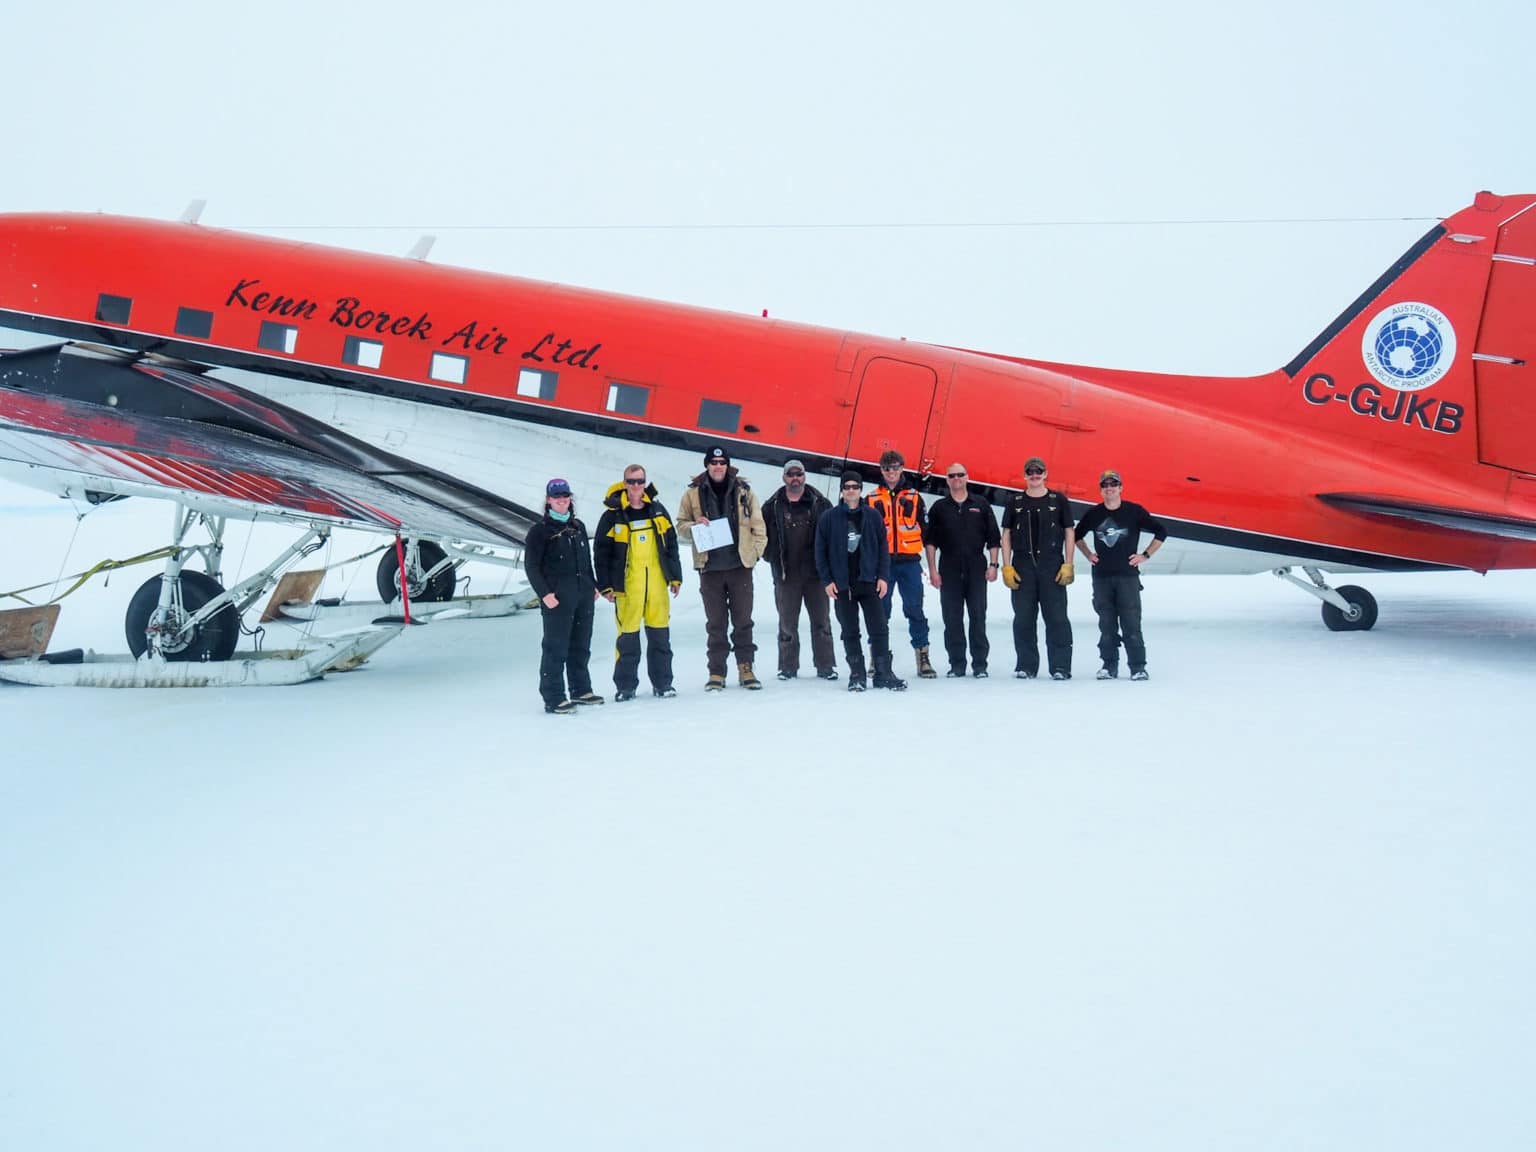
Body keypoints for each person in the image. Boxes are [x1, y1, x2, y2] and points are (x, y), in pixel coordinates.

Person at [676, 445, 768, 691]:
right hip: (710, 568)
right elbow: (680, 527)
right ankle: (716, 672)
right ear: (707, 465)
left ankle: (745, 667)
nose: (718, 467)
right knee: (715, 624)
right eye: (714, 462)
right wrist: (695, 525)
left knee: (743, 622)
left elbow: (759, 528)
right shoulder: (693, 494)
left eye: (722, 462)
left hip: (739, 567)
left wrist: (754, 555)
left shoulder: (744, 491)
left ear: (727, 465)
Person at [593, 464, 682, 700]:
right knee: (627, 640)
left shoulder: (658, 511)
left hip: (656, 586)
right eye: (631, 481)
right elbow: (601, 553)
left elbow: (671, 545)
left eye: (640, 481)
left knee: (660, 638)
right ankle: (625, 687)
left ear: (645, 483)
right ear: (624, 483)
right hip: (627, 588)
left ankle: (663, 683)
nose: (636, 486)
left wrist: (675, 577)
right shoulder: (612, 516)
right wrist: (605, 586)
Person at [1074, 469, 1167, 681]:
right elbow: (1076, 536)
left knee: (1131, 622)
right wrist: (1088, 553)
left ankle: (1138, 667)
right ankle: (1108, 666)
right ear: (1101, 490)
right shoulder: (1094, 514)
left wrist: (1145, 555)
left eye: (1113, 484)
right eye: (1105, 485)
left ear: (1120, 487)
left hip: (1128, 577)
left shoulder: (1134, 512)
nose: (1109, 488)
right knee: (1106, 623)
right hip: (1101, 577)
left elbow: (1161, 531)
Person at [816, 471, 904, 691]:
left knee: (879, 628)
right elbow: (820, 551)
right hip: (843, 585)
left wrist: (883, 576)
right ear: (842, 490)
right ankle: (857, 674)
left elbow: (884, 548)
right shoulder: (829, 517)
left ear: (861, 489)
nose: (851, 490)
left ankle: (883, 673)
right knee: (850, 630)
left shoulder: (873, 516)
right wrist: (827, 580)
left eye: (855, 486)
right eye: (847, 487)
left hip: (869, 582)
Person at [523, 477, 603, 714]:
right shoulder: (539, 531)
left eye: (565, 496)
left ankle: (580, 689)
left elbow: (586, 561)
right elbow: (532, 566)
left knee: (581, 644)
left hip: (582, 594)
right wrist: (544, 593)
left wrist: (593, 585)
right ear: (548, 500)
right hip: (557, 597)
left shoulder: (577, 527)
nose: (562, 501)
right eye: (557, 497)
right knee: (555, 646)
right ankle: (554, 696)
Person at [761, 458, 838, 681]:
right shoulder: (771, 506)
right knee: (787, 624)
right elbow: (759, 534)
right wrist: (770, 556)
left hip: (816, 575)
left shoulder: (821, 503)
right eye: (791, 474)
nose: (796, 478)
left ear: (805, 476)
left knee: (822, 621)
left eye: (799, 474)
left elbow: (833, 536)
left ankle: (826, 666)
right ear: (784, 477)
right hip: (786, 575)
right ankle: (787, 667)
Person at [1000, 456, 1075, 680]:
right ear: (1025, 475)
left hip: (1051, 568)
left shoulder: (1058, 500)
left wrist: (1068, 563)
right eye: (1030, 472)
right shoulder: (1015, 502)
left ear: (1045, 474)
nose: (1034, 475)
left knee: (1057, 619)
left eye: (1038, 471)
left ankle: (1061, 667)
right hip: (1023, 567)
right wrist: (1006, 567)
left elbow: (1069, 531)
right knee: (1023, 619)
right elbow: (1006, 534)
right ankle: (1026, 665)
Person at [922, 462, 1000, 677]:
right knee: (952, 618)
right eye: (951, 476)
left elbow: (994, 538)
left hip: (976, 567)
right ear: (947, 480)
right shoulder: (939, 507)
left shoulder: (981, 504)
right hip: (949, 568)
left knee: (978, 617)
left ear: (967, 477)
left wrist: (993, 565)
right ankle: (957, 664)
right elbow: (930, 542)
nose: (956, 478)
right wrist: (933, 570)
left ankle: (980, 665)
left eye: (960, 475)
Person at [866, 449, 935, 679]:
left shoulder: (915, 498)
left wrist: (931, 567)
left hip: (909, 564)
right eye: (887, 468)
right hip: (882, 566)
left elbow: (927, 534)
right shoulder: (872, 498)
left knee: (914, 609)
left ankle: (923, 656)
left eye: (895, 467)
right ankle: (878, 657)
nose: (891, 472)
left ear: (902, 468)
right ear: (881, 470)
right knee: (880, 611)